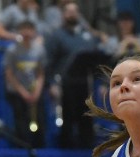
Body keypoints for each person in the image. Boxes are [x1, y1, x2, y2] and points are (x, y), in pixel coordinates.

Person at [45, 0, 109, 148]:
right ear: (63, 14)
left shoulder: (87, 35)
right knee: (67, 118)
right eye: (69, 11)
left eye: (75, 11)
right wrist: (51, 84)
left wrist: (104, 82)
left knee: (86, 117)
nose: (73, 14)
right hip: (65, 84)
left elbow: (96, 61)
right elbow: (49, 62)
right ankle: (66, 150)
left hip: (85, 83)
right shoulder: (56, 36)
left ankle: (87, 149)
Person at [2, 20, 46, 148]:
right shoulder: (12, 50)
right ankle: (22, 147)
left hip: (34, 91)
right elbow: (9, 74)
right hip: (17, 92)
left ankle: (39, 148)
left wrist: (37, 91)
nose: (26, 32)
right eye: (23, 29)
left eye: (29, 29)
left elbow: (41, 73)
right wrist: (22, 92)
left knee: (39, 120)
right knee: (21, 121)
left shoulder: (39, 50)